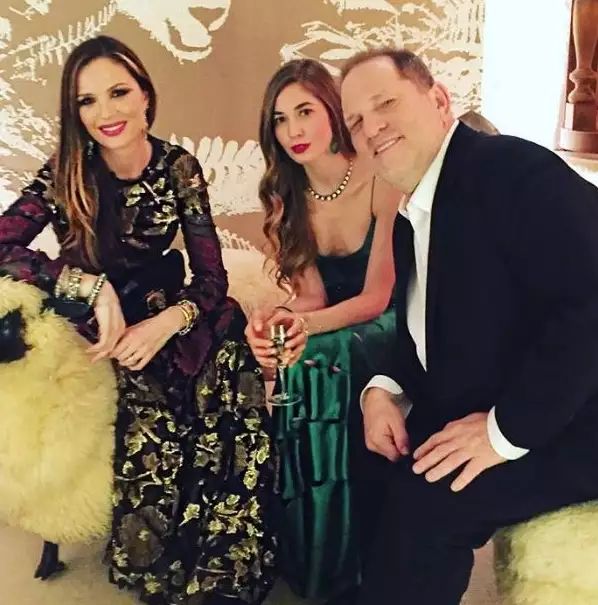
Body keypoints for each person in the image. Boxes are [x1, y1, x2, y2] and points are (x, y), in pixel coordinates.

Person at [0, 35, 279, 605]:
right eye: (87, 100)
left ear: (146, 96)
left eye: (119, 92)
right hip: (102, 329)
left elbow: (211, 280)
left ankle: (224, 567)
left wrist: (168, 322)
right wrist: (86, 286)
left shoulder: (178, 167)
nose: (106, 111)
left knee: (228, 368)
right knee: (154, 413)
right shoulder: (65, 173)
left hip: (169, 315)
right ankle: (166, 568)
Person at [339, 46, 598, 605]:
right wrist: (383, 390)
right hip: (506, 392)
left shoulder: (511, 170)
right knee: (372, 455)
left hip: (578, 416)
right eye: (355, 121)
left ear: (438, 100)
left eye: (385, 103)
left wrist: (503, 433)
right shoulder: (415, 213)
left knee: (431, 503)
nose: (371, 127)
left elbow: (590, 303)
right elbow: (426, 332)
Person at [245, 58, 400, 604]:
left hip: (389, 324)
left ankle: (355, 553)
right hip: (334, 322)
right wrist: (280, 321)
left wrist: (305, 326)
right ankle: (317, 546)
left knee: (322, 351)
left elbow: (378, 297)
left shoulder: (379, 177)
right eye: (281, 119)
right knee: (295, 352)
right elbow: (311, 296)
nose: (294, 130)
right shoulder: (288, 193)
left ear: (332, 112)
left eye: (305, 111)